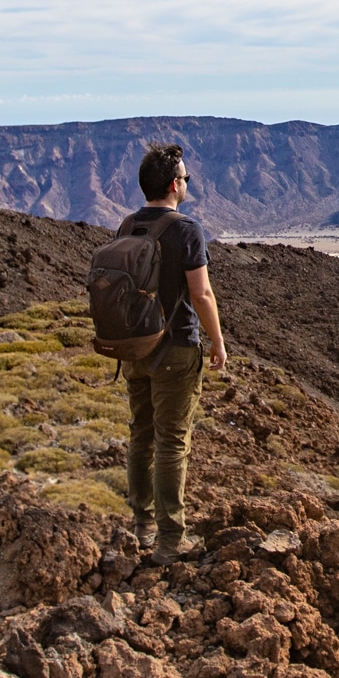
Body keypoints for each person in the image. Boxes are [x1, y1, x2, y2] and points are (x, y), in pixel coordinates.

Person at [118, 142, 227, 564]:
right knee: (171, 442)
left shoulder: (127, 226)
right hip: (177, 350)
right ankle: (169, 541)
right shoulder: (186, 230)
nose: (187, 183)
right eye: (185, 177)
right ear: (173, 184)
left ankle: (142, 527)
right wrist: (216, 341)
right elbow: (200, 293)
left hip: (134, 349)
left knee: (140, 435)